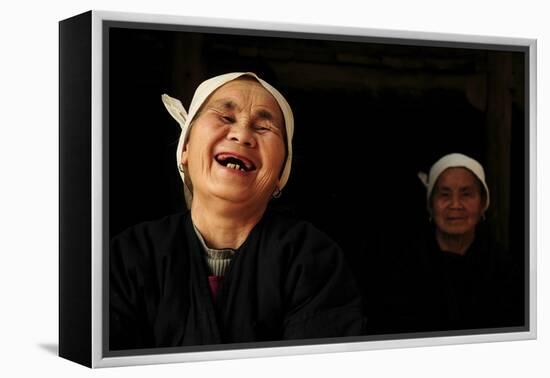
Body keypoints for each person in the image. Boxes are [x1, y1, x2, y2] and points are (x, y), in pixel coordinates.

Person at [109, 72, 364, 350]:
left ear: (281, 174)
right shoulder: (128, 256)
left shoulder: (311, 258)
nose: (242, 135)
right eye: (225, 117)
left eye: (264, 128)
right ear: (185, 148)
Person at [365, 153, 523, 334]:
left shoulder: (504, 269)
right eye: (445, 194)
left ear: (483, 203)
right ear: (430, 205)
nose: (455, 204)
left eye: (466, 194)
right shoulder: (402, 268)